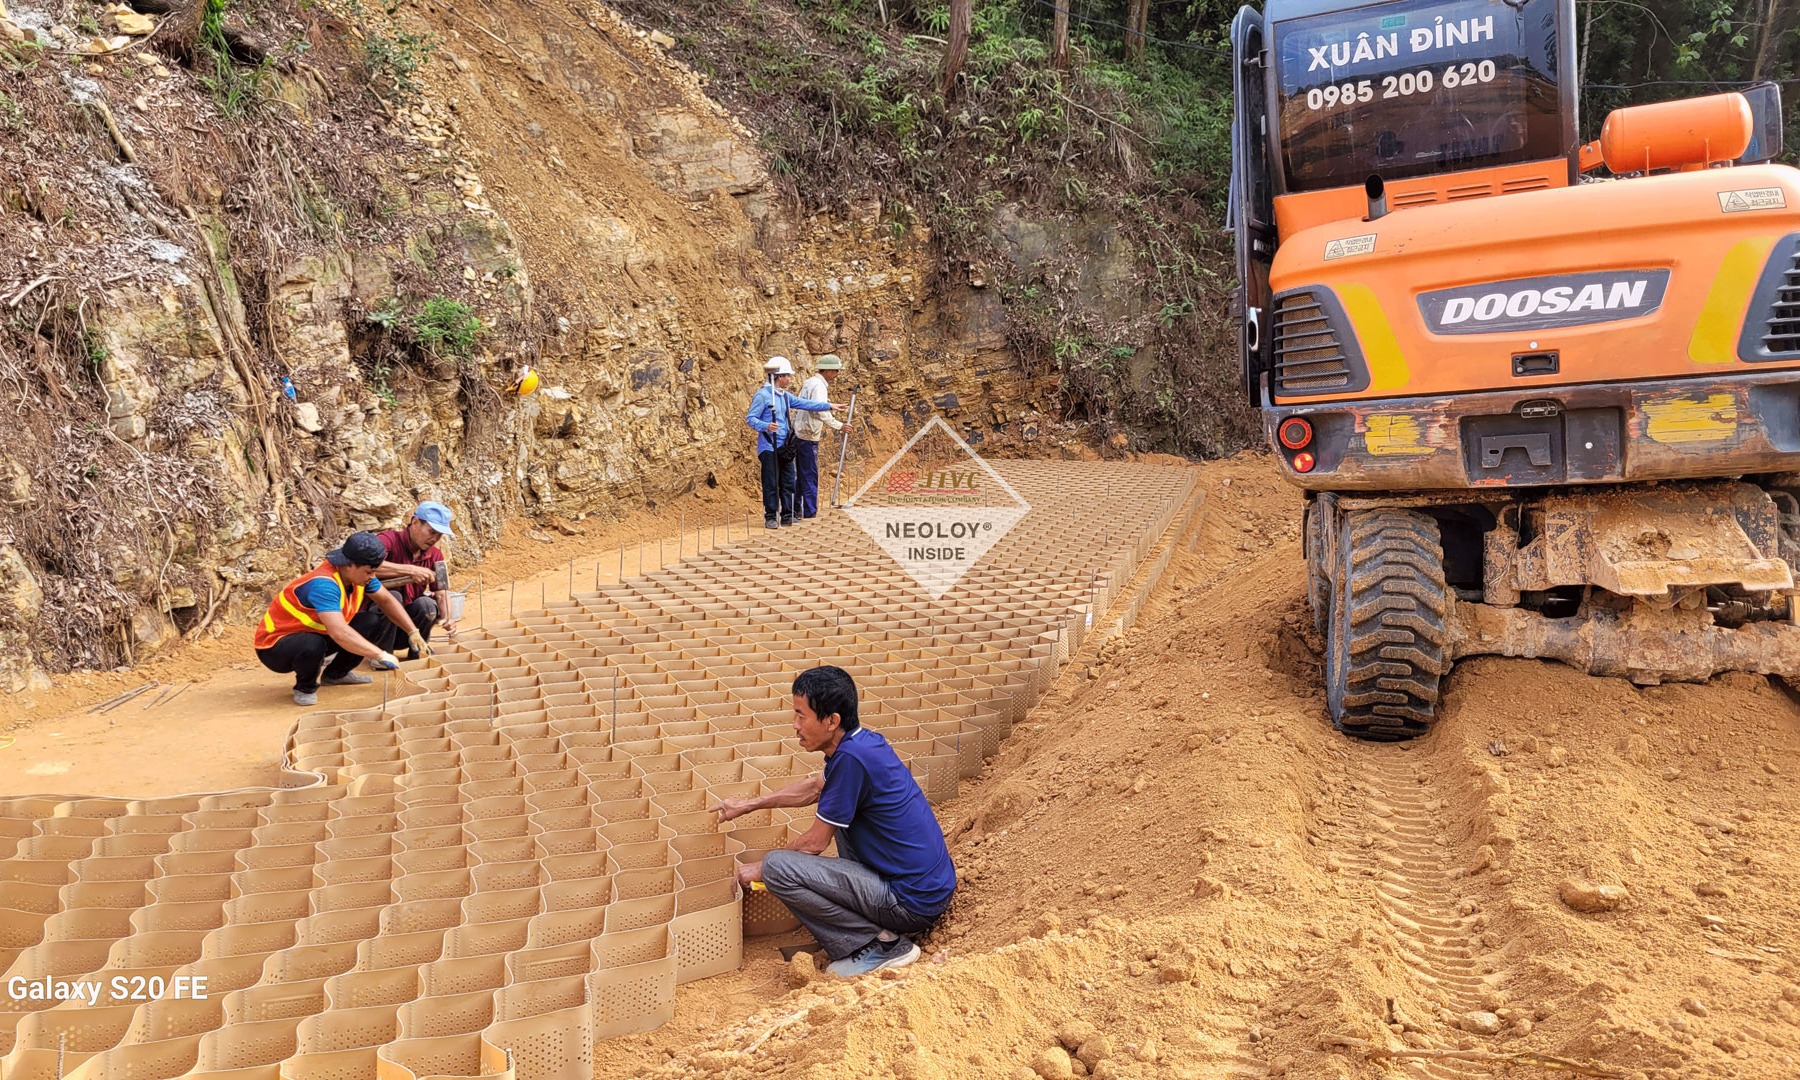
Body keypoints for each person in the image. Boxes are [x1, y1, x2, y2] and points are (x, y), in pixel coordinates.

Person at [712, 665, 956, 977]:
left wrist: (762, 868)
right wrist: (747, 804)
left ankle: (878, 945)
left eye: (802, 716)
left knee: (778, 867)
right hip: (928, 887)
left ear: (832, 721)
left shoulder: (851, 761)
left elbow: (815, 843)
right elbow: (816, 787)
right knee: (837, 815)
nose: (794, 725)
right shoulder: (862, 744)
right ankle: (876, 927)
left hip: (911, 903)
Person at [253, 532, 431, 706]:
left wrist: (412, 631)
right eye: (369, 572)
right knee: (312, 644)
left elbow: (386, 601)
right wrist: (380, 654)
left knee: (371, 621)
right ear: (349, 565)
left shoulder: (361, 578)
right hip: (275, 646)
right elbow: (339, 632)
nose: (372, 577)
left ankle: (336, 674)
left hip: (316, 633)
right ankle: (305, 688)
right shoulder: (324, 585)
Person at [745, 357, 839, 529]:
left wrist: (828, 406)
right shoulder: (763, 396)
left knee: (788, 482)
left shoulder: (784, 396)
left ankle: (788, 515)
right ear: (778, 376)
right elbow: (750, 418)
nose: (789, 379)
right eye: (787, 376)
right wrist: (765, 426)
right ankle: (771, 517)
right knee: (771, 483)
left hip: (784, 447)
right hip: (769, 447)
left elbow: (805, 403)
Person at [375, 501, 458, 657]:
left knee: (426, 605)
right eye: (431, 532)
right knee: (393, 596)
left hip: (406, 628)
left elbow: (442, 591)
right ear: (415, 523)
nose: (434, 538)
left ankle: (418, 650)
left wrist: (448, 617)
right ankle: (382, 654)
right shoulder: (387, 541)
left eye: (439, 535)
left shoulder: (435, 555)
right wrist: (410, 570)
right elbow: (365, 566)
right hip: (376, 626)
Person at [791, 354, 846, 519]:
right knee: (809, 474)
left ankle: (796, 509)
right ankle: (809, 511)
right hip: (807, 436)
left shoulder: (810, 382)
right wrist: (840, 425)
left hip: (799, 432)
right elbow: (820, 411)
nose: (837, 374)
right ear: (827, 371)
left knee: (801, 474)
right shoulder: (819, 387)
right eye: (835, 371)